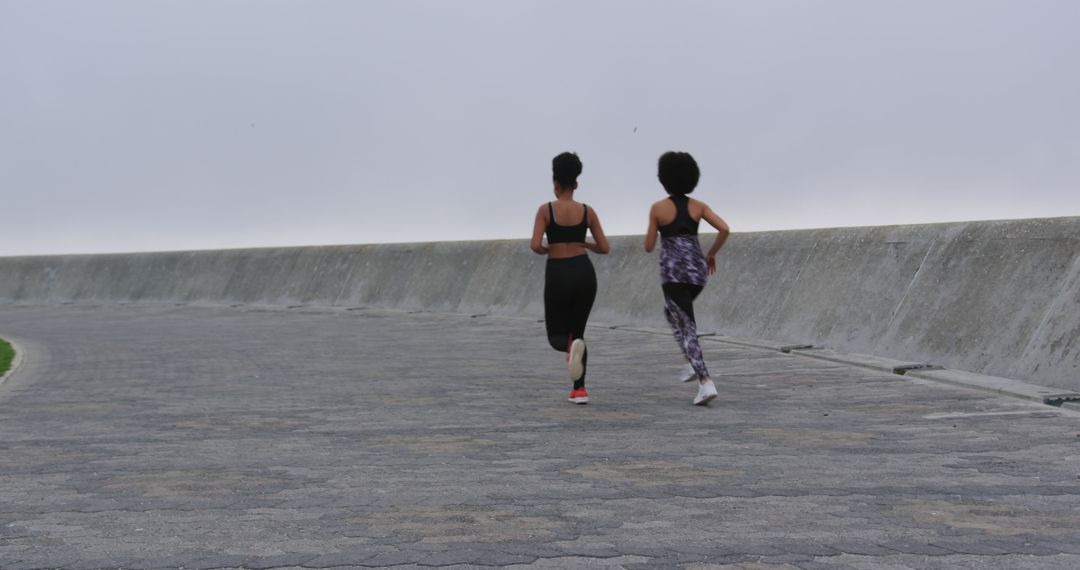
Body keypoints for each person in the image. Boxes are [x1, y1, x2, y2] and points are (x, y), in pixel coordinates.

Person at [644, 151, 730, 405]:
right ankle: (690, 363)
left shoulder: (658, 208)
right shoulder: (698, 206)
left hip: (673, 275)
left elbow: (649, 246)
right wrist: (711, 253)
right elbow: (724, 228)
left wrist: (656, 233)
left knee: (688, 325)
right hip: (697, 274)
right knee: (674, 315)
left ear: (663, 179)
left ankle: (705, 381)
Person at [531, 152, 610, 404]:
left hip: (558, 272)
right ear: (576, 183)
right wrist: (584, 244)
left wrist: (548, 248)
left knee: (557, 336)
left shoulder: (546, 210)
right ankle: (580, 390)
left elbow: (535, 245)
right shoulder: (587, 212)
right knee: (579, 333)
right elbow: (604, 247)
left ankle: (568, 350)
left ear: (555, 183)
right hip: (584, 273)